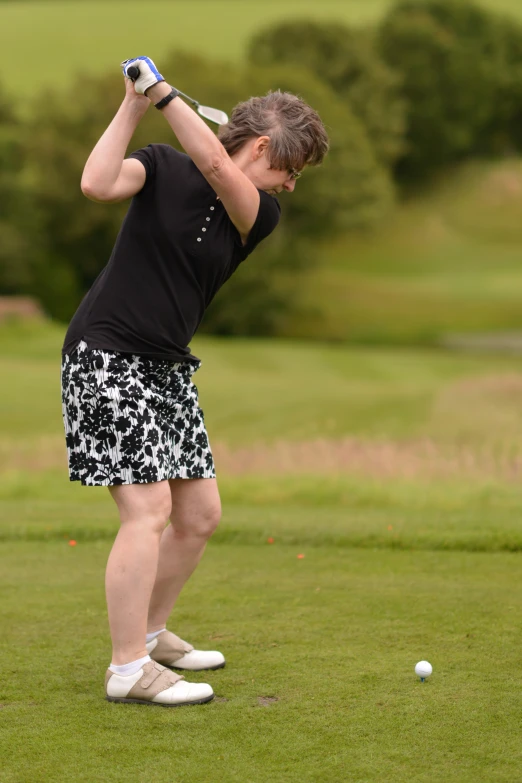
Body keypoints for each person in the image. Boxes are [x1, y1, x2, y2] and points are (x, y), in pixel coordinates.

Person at [60, 56, 329, 707]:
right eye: (289, 170)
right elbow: (97, 183)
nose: (290, 185)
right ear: (263, 145)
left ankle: (149, 635)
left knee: (199, 513)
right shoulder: (162, 163)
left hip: (165, 365)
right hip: (106, 353)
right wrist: (134, 100)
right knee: (147, 510)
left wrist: (164, 93)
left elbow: (215, 163)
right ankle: (128, 668)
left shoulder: (256, 211)